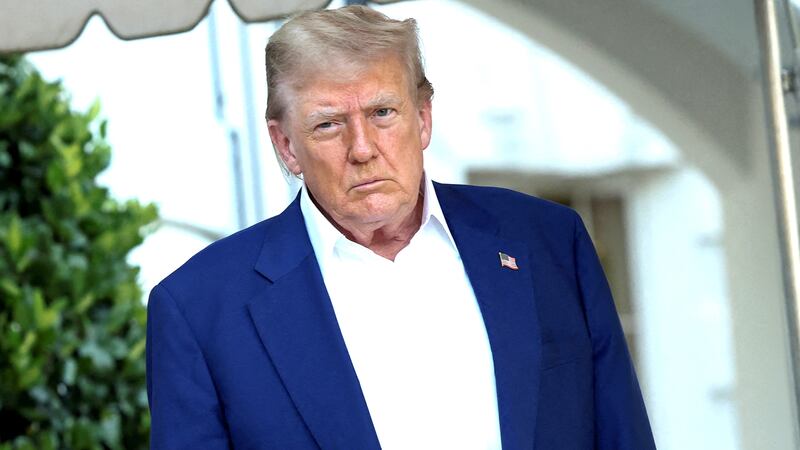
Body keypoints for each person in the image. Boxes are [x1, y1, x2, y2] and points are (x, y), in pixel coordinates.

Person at [146, 5, 656, 450]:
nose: (362, 148)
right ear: (286, 146)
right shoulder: (200, 309)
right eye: (328, 124)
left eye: (382, 112)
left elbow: (620, 434)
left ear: (424, 117)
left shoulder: (548, 242)